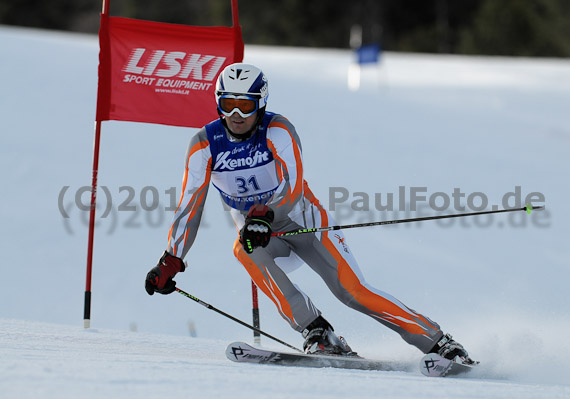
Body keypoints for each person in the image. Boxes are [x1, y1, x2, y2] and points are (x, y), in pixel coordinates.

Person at [145, 62, 475, 363]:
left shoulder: (278, 131)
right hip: (259, 233)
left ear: (260, 103)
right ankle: (317, 331)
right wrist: (171, 258)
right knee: (242, 249)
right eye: (227, 103)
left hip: (303, 223)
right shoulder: (204, 144)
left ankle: (439, 341)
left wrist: (266, 215)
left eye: (245, 104)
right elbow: (190, 204)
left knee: (353, 292)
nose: (236, 113)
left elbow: (293, 185)